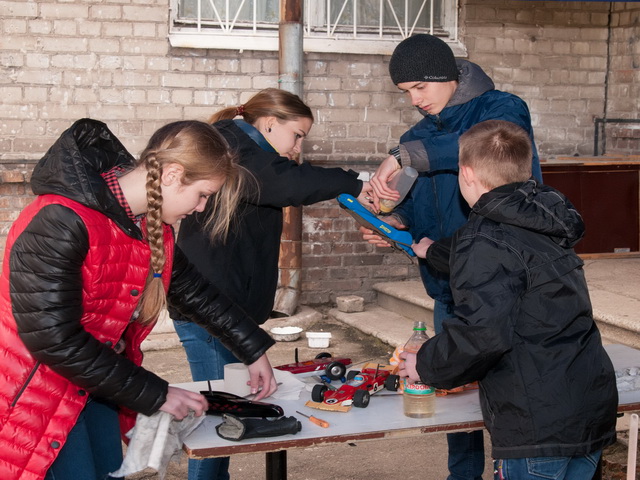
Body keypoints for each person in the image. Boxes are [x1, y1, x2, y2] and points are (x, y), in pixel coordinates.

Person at [0, 118, 278, 480]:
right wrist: (158, 394)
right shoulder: (59, 220)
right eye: (203, 194)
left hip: (94, 386)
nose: (200, 209)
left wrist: (253, 349)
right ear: (173, 175)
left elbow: (195, 292)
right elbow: (53, 339)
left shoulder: (148, 226)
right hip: (37, 394)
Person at [361, 34, 544, 480]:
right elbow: (415, 204)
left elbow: (482, 148)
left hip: (505, 283)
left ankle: (520, 470)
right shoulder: (416, 135)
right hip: (448, 284)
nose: (415, 100)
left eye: (420, 87)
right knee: (453, 393)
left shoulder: (501, 109)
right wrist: (396, 225)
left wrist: (405, 156)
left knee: (513, 391)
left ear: (447, 74)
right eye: (406, 93)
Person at [169, 87, 371, 480]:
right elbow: (286, 185)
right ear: (269, 123)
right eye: (297, 135)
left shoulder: (247, 150)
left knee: (223, 415)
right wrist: (356, 181)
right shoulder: (232, 149)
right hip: (210, 314)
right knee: (215, 424)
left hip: (228, 312)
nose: (298, 147)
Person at [400, 119, 618, 480]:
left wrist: (425, 364)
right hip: (585, 411)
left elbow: (481, 335)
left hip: (537, 427)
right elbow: (507, 261)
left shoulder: (484, 241)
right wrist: (432, 251)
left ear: (466, 173)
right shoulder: (541, 220)